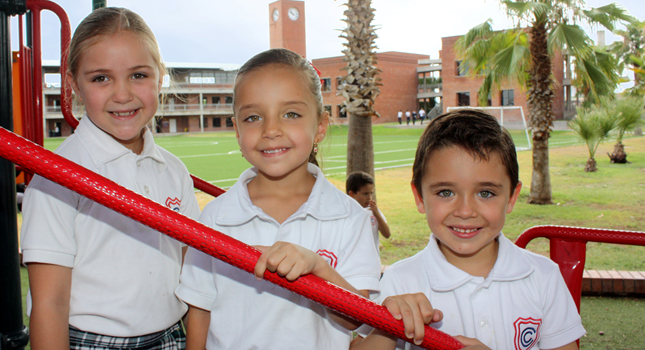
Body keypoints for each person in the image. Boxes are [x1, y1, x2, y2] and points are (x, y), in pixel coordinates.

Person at [176, 48, 381, 350]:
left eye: (291, 114)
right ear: (236, 129)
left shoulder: (352, 218)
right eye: (253, 117)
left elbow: (357, 319)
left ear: (321, 126)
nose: (271, 130)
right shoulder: (215, 217)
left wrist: (318, 268)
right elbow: (200, 310)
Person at [21, 8, 199, 350]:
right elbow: (49, 302)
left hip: (169, 336)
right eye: (101, 78)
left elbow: (191, 274)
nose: (122, 94)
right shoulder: (59, 176)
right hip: (91, 342)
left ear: (160, 77)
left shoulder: (172, 170)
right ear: (73, 84)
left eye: (138, 75)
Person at [352, 109, 585, 350]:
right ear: (419, 197)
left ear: (512, 197)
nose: (465, 211)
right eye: (446, 192)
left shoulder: (543, 276)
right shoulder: (399, 282)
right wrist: (387, 328)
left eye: (486, 193)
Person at [346, 171, 391, 252]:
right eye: (365, 194)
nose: (369, 197)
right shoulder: (346, 213)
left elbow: (387, 234)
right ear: (352, 194)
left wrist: (377, 215)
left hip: (372, 260)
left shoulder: (372, 211)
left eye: (371, 193)